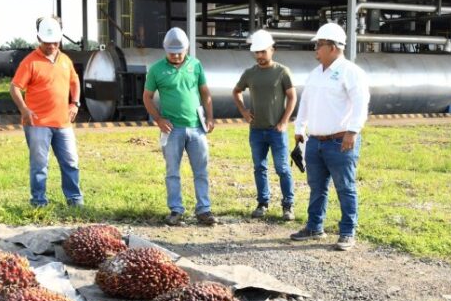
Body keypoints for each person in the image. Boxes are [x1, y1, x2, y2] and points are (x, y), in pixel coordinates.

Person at [291, 23, 370, 251]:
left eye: (320, 45)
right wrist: (300, 127)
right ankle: (315, 226)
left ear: (334, 47)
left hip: (340, 141)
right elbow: (305, 103)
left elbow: (360, 104)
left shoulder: (351, 72)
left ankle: (347, 232)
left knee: (345, 187)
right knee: (317, 187)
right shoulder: (316, 74)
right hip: (315, 141)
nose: (316, 49)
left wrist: (353, 131)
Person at [142, 27, 217, 226]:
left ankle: (204, 209)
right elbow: (147, 97)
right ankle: (176, 210)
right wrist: (158, 119)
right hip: (171, 129)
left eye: (180, 52)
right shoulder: (157, 69)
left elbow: (205, 93)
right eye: (171, 52)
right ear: (165, 49)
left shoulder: (196, 65)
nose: (176, 56)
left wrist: (210, 118)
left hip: (196, 128)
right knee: (172, 171)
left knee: (201, 170)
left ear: (187, 49)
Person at [10, 15, 84, 208]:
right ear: (39, 39)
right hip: (37, 124)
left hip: (63, 124)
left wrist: (75, 103)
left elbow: (75, 82)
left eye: (55, 42)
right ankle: (39, 202)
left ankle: (75, 200)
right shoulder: (30, 62)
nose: (51, 45)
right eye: (47, 42)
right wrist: (24, 109)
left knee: (70, 163)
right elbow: (15, 87)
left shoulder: (66, 60)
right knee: (40, 166)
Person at [232, 29, 297, 221]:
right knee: (259, 167)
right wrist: (244, 111)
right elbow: (236, 92)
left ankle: (288, 206)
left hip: (276, 130)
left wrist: (284, 122)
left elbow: (292, 97)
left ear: (272, 50)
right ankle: (262, 203)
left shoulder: (282, 72)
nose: (259, 56)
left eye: (263, 51)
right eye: (256, 52)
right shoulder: (249, 73)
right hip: (257, 130)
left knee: (282, 168)